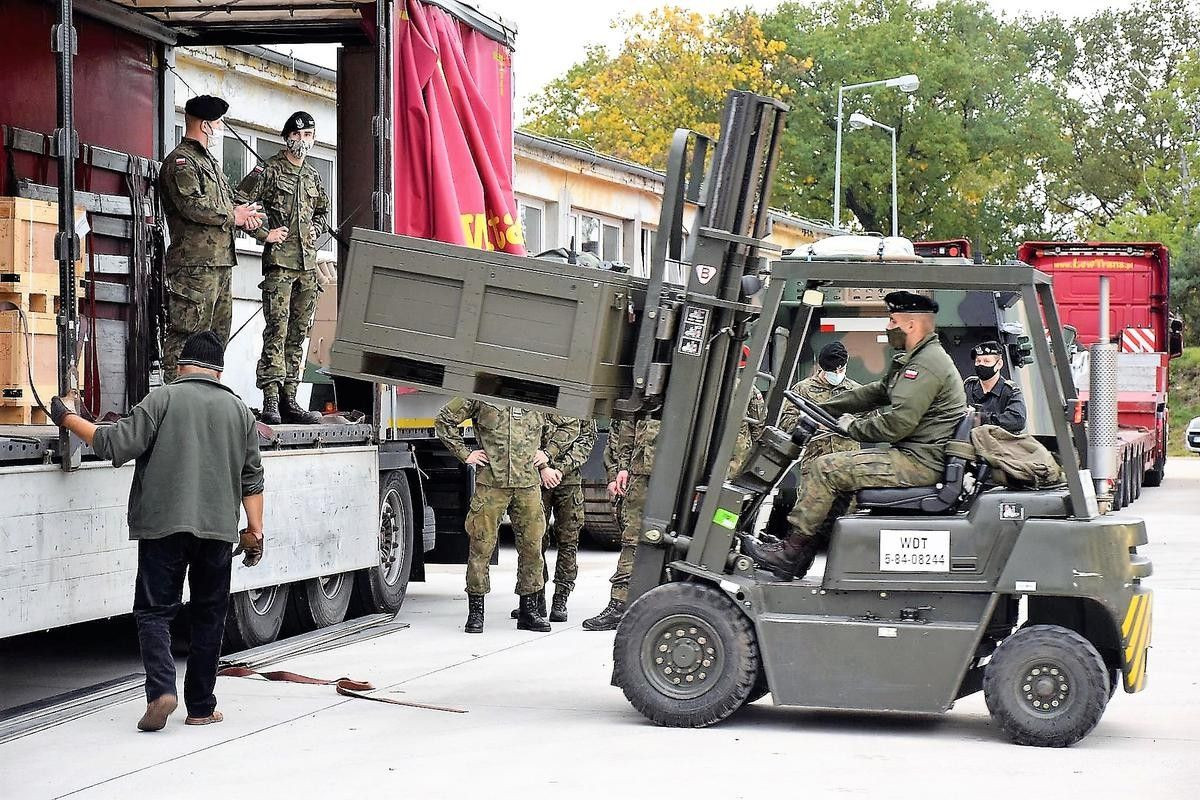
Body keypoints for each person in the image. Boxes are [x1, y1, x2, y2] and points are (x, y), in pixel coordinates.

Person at [50, 331, 265, 731]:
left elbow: (114, 443)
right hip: (218, 530)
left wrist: (68, 417)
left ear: (182, 366)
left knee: (154, 612)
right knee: (209, 616)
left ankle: (162, 691)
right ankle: (201, 707)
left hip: (162, 526)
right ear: (218, 371)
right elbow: (252, 479)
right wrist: (255, 531)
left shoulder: (162, 398)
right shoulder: (240, 411)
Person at [742, 291, 968, 581]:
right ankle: (799, 554)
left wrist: (850, 427)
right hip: (920, 456)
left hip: (919, 462)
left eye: (892, 321)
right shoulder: (916, 359)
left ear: (911, 325)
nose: (888, 327)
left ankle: (790, 553)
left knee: (827, 469)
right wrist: (823, 408)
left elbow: (897, 424)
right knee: (837, 474)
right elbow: (874, 393)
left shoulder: (925, 365)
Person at [159, 95, 266, 382]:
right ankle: (173, 403)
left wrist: (245, 217)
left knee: (216, 340)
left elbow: (227, 205)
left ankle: (209, 396)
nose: (219, 128)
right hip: (194, 267)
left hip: (219, 264)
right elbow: (192, 205)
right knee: (187, 335)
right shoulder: (181, 162)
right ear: (205, 125)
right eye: (217, 123)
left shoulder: (210, 163)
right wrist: (234, 216)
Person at [235, 111, 330, 425]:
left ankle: (291, 399)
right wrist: (264, 234)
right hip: (280, 266)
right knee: (277, 331)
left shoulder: (314, 176)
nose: (303, 141)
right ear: (288, 136)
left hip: (306, 267)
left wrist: (316, 229)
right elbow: (239, 201)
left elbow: (323, 212)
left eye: (309, 136)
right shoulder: (271, 169)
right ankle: (272, 400)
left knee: (298, 335)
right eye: (298, 135)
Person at [434, 398, 551, 634]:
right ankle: (476, 612)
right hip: (491, 484)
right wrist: (465, 454)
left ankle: (529, 611)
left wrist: (549, 453)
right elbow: (444, 419)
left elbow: (570, 424)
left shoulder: (539, 393)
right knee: (481, 546)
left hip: (528, 485)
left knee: (532, 547)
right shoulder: (482, 393)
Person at [510, 414, 597, 623]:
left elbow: (586, 439)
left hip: (568, 479)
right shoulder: (539, 400)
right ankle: (536, 597)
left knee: (568, 540)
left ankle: (560, 599)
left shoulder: (579, 405)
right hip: (537, 478)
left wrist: (560, 468)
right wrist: (543, 468)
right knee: (534, 541)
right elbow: (523, 435)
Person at [964, 340, 1026, 433]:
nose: (981, 365)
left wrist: (983, 419)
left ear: (999, 364)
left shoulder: (1010, 392)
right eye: (978, 361)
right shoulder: (968, 387)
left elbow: (1017, 420)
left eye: (986, 361)